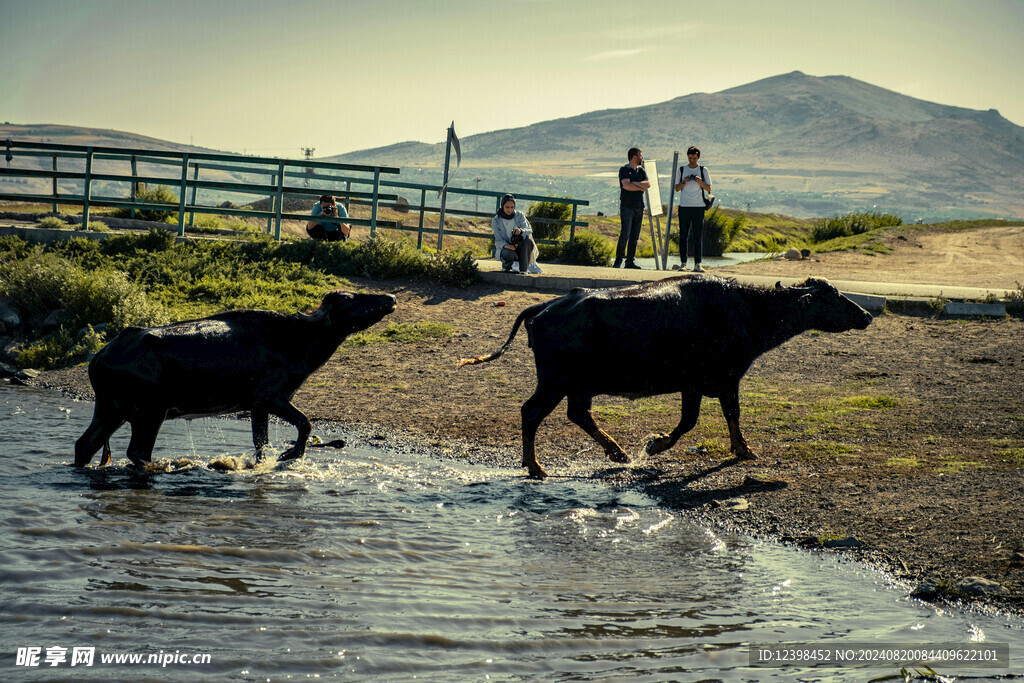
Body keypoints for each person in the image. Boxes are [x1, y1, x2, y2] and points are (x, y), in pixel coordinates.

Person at [674, 146, 711, 272]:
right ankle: (683, 263)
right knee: (683, 236)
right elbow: (677, 188)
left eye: (694, 158)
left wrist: (700, 182)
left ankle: (698, 264)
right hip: (684, 206)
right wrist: (684, 182)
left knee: (697, 236)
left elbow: (709, 188)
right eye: (690, 158)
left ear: (698, 157)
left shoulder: (703, 170)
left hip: (699, 207)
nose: (692, 161)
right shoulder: (682, 169)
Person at [615, 147, 650, 269]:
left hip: (639, 207)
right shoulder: (624, 170)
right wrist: (639, 186)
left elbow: (647, 184)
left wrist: (633, 183)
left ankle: (630, 261)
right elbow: (626, 186)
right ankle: (618, 261)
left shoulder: (641, 171)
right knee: (625, 234)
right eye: (640, 155)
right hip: (627, 207)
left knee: (634, 236)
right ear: (635, 157)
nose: (642, 157)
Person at [491, 194, 540, 274]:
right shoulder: (496, 220)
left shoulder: (519, 215)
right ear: (502, 206)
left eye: (512, 207)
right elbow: (498, 240)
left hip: (519, 246)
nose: (510, 210)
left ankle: (523, 270)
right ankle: (506, 266)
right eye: (507, 207)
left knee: (527, 240)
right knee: (509, 254)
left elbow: (529, 230)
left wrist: (520, 231)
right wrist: (508, 246)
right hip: (506, 248)